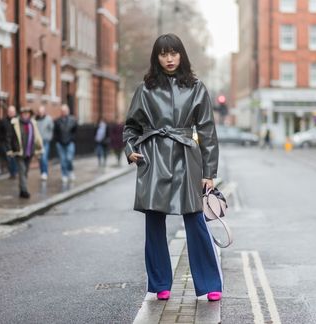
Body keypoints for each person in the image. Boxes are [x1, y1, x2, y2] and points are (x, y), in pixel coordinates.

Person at [123, 34, 223, 302]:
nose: (169, 59)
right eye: (163, 54)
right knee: (154, 221)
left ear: (182, 55)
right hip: (153, 157)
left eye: (174, 53)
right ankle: (159, 283)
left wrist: (209, 173)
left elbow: (207, 131)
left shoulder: (196, 87)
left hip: (186, 156)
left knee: (195, 219)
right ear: (156, 57)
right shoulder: (145, 89)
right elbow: (130, 127)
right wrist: (130, 150)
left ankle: (210, 282)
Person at [6, 107, 44, 198]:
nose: (25, 115)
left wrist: (39, 147)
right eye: (24, 113)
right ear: (21, 114)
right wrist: (10, 149)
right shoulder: (15, 123)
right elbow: (9, 136)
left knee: (26, 171)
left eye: (27, 113)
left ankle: (22, 188)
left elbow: (37, 136)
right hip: (19, 152)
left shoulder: (32, 123)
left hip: (29, 151)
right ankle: (24, 191)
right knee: (22, 170)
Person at [54, 104, 78, 182]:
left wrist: (72, 139)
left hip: (70, 143)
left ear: (68, 111)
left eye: (65, 111)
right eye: (62, 111)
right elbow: (55, 132)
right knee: (62, 160)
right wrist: (57, 141)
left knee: (69, 158)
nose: (64, 112)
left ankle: (70, 171)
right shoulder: (57, 121)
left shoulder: (73, 120)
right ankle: (64, 174)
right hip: (60, 143)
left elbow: (75, 131)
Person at [0, 105, 18, 178]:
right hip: (6, 143)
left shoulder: (18, 121)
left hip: (15, 144)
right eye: (10, 112)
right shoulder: (4, 121)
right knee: (9, 159)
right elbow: (0, 132)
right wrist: (2, 140)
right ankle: (12, 173)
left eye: (13, 112)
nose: (11, 113)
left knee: (15, 159)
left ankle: (14, 172)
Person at [36, 106, 54, 180]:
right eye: (39, 112)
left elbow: (51, 129)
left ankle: (45, 173)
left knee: (44, 157)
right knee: (40, 158)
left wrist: (49, 137)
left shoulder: (48, 119)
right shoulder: (36, 119)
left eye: (42, 111)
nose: (41, 113)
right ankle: (42, 172)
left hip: (45, 141)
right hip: (38, 142)